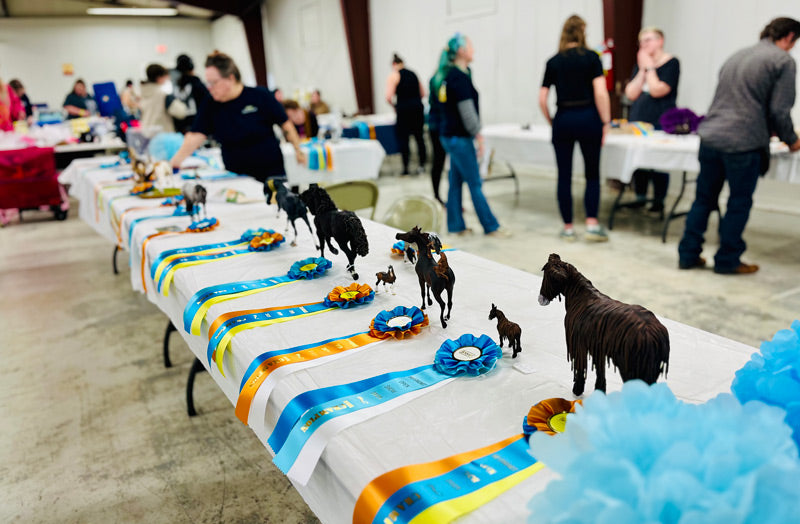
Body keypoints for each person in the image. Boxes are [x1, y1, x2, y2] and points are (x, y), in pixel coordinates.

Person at [678, 17, 800, 275]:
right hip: (743, 142)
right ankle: (727, 260)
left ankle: (688, 255)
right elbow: (779, 109)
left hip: (711, 137)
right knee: (738, 202)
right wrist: (791, 139)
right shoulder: (783, 61)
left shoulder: (737, 55)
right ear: (790, 36)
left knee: (703, 199)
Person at [170, 52, 305, 190]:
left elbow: (285, 124)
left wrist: (298, 151)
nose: (209, 87)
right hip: (236, 178)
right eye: (208, 83)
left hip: (271, 174)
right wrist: (172, 164)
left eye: (214, 83)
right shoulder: (210, 104)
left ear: (231, 78)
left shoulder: (260, 96)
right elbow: (195, 135)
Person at [539, 15, 611, 242]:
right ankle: (592, 225)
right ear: (582, 33)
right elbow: (601, 93)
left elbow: (542, 98)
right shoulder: (592, 58)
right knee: (592, 173)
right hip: (589, 117)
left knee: (564, 175)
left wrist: (551, 120)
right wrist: (606, 121)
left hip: (563, 118)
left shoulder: (553, 61)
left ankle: (568, 228)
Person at [436, 33, 507, 237]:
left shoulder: (453, 75)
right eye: (471, 46)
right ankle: (491, 226)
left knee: (455, 181)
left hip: (450, 136)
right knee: (475, 182)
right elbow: (467, 113)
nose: (474, 50)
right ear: (461, 51)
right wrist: (479, 136)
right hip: (459, 138)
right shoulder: (458, 78)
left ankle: (456, 226)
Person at [624, 27, 680, 214]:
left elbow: (657, 90)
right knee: (639, 159)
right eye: (641, 41)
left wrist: (649, 68)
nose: (644, 45)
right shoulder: (641, 64)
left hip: (660, 118)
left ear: (660, 40)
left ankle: (658, 200)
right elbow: (631, 93)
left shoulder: (671, 63)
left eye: (648, 40)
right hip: (640, 118)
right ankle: (640, 196)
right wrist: (642, 70)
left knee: (659, 160)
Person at [386, 53, 427, 174]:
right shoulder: (413, 73)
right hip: (417, 109)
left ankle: (406, 168)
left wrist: (395, 106)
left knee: (404, 139)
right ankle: (422, 165)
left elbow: (388, 97)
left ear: (394, 64)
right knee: (419, 138)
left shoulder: (394, 76)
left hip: (404, 111)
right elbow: (423, 93)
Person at [139, 64, 187, 133]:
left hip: (146, 134)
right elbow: (181, 112)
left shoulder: (142, 95)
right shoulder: (164, 96)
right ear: (159, 78)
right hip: (162, 136)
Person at [173, 54, 210, 134]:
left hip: (181, 127)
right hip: (198, 125)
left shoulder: (176, 86)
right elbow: (207, 104)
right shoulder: (197, 84)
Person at [427, 70, 446, 205]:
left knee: (438, 161)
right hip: (441, 125)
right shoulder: (442, 80)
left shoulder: (435, 79)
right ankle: (437, 196)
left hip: (436, 124)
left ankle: (437, 195)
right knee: (439, 160)